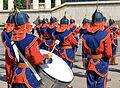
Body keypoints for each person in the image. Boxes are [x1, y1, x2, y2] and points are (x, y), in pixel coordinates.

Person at [4, 11, 52, 88]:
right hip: (28, 76)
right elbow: (37, 59)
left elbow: (8, 63)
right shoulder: (30, 39)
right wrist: (48, 58)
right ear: (26, 23)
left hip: (15, 76)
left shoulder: (9, 41)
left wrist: (9, 79)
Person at [82, 9, 112, 88]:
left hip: (90, 62)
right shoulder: (105, 34)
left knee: (90, 84)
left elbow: (84, 51)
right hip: (101, 62)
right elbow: (108, 53)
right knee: (101, 85)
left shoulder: (85, 35)